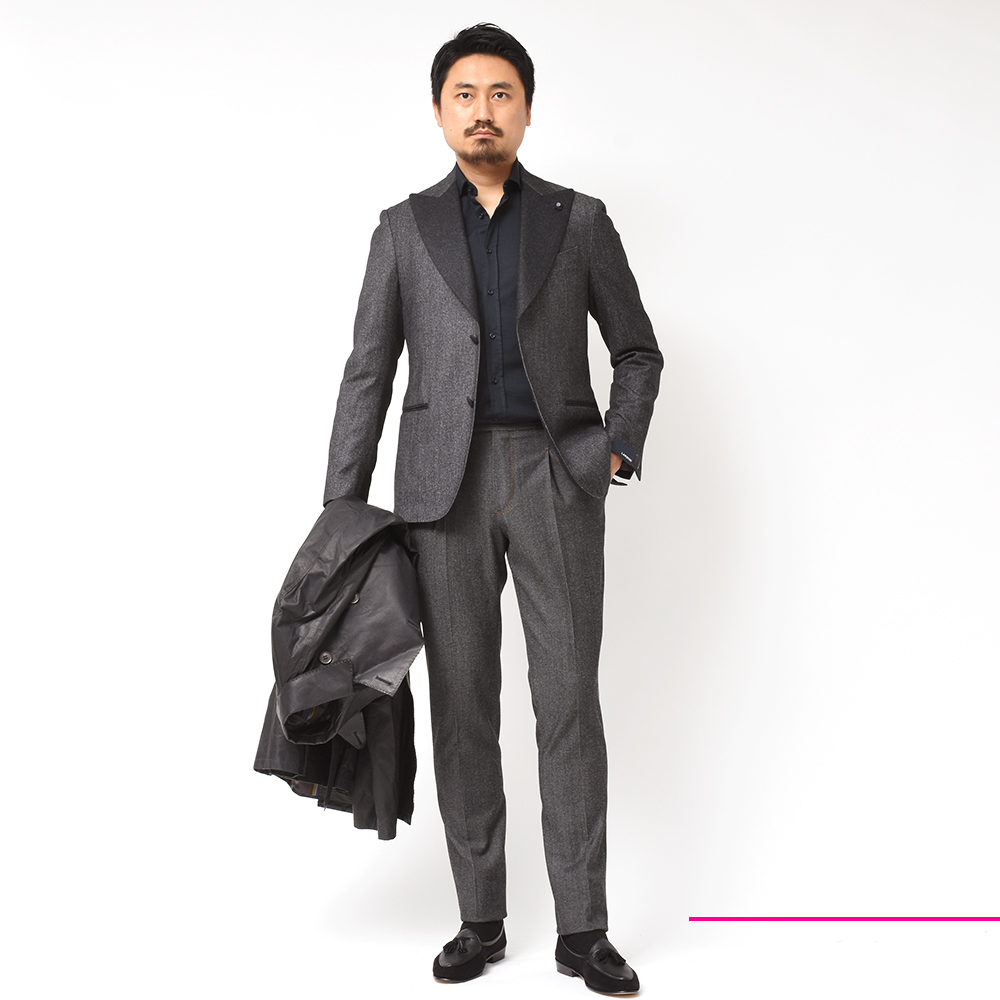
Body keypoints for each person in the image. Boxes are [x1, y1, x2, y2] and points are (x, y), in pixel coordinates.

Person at [323, 23, 661, 994]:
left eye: (500, 93)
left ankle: (583, 930)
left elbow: (636, 349)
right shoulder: (401, 230)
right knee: (462, 703)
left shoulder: (579, 221)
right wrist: (342, 510)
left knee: (568, 702)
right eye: (464, 95)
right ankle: (480, 918)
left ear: (526, 110)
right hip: (442, 489)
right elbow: (367, 372)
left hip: (556, 475)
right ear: (439, 112)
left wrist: (614, 447)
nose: (483, 111)